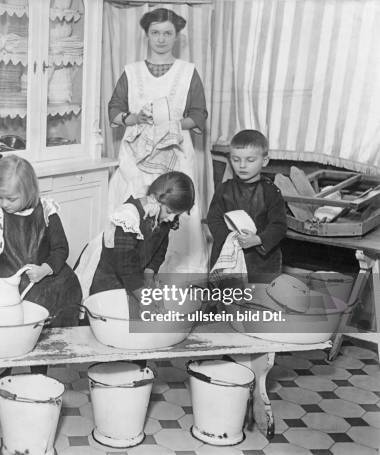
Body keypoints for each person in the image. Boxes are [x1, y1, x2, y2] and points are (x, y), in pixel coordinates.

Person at [0, 154, 82, 418]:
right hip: (8, 289)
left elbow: (60, 248)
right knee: (8, 349)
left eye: (10, 198)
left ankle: (37, 391)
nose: (4, 203)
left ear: (29, 190)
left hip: (44, 288)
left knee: (38, 348)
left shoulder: (46, 211)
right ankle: (3, 396)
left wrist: (46, 268)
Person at [107, 7, 209, 275]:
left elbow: (199, 114)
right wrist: (135, 118)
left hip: (175, 149)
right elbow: (115, 108)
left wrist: (171, 125)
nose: (161, 39)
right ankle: (129, 269)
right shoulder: (132, 71)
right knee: (137, 202)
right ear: (147, 35)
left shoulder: (188, 72)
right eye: (155, 33)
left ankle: (173, 271)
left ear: (176, 36)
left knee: (175, 202)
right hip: (136, 152)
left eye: (167, 33)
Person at [87, 171, 195, 300]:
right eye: (170, 212)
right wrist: (144, 298)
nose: (171, 219)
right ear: (155, 198)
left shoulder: (162, 218)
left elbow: (160, 249)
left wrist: (149, 273)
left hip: (133, 279)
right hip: (109, 280)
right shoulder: (128, 217)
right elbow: (125, 267)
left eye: (176, 215)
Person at [207, 130, 287, 283]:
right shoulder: (224, 189)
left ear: (264, 161)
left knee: (258, 299)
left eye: (250, 160)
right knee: (227, 299)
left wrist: (258, 239)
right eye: (236, 160)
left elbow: (279, 226)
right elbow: (214, 218)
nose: (242, 166)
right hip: (228, 253)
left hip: (260, 260)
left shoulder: (271, 192)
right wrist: (230, 240)